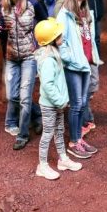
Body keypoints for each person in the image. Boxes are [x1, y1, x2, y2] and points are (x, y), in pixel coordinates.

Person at [0, 0, 45, 150]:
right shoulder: (3, 2)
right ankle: (38, 115)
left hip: (28, 57)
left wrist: (39, 44)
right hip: (11, 56)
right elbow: (2, 24)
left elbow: (44, 21)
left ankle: (23, 134)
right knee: (12, 96)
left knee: (25, 97)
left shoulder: (33, 3)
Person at [56, 0, 99, 159]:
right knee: (76, 105)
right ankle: (73, 142)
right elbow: (60, 41)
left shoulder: (86, 13)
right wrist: (70, 60)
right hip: (74, 66)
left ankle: (79, 139)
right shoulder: (64, 14)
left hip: (85, 64)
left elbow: (90, 40)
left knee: (82, 104)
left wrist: (92, 58)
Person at [34, 18, 82, 180]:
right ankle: (42, 165)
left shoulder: (54, 55)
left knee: (59, 131)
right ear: (52, 39)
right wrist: (60, 101)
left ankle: (63, 159)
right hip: (50, 105)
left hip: (57, 103)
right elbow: (48, 85)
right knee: (48, 133)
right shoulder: (48, 60)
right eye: (59, 35)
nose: (63, 37)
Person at [78, 0, 105, 64]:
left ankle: (96, 57)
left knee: (97, 37)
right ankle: (88, 57)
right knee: (88, 37)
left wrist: (101, 12)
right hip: (87, 16)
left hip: (97, 16)